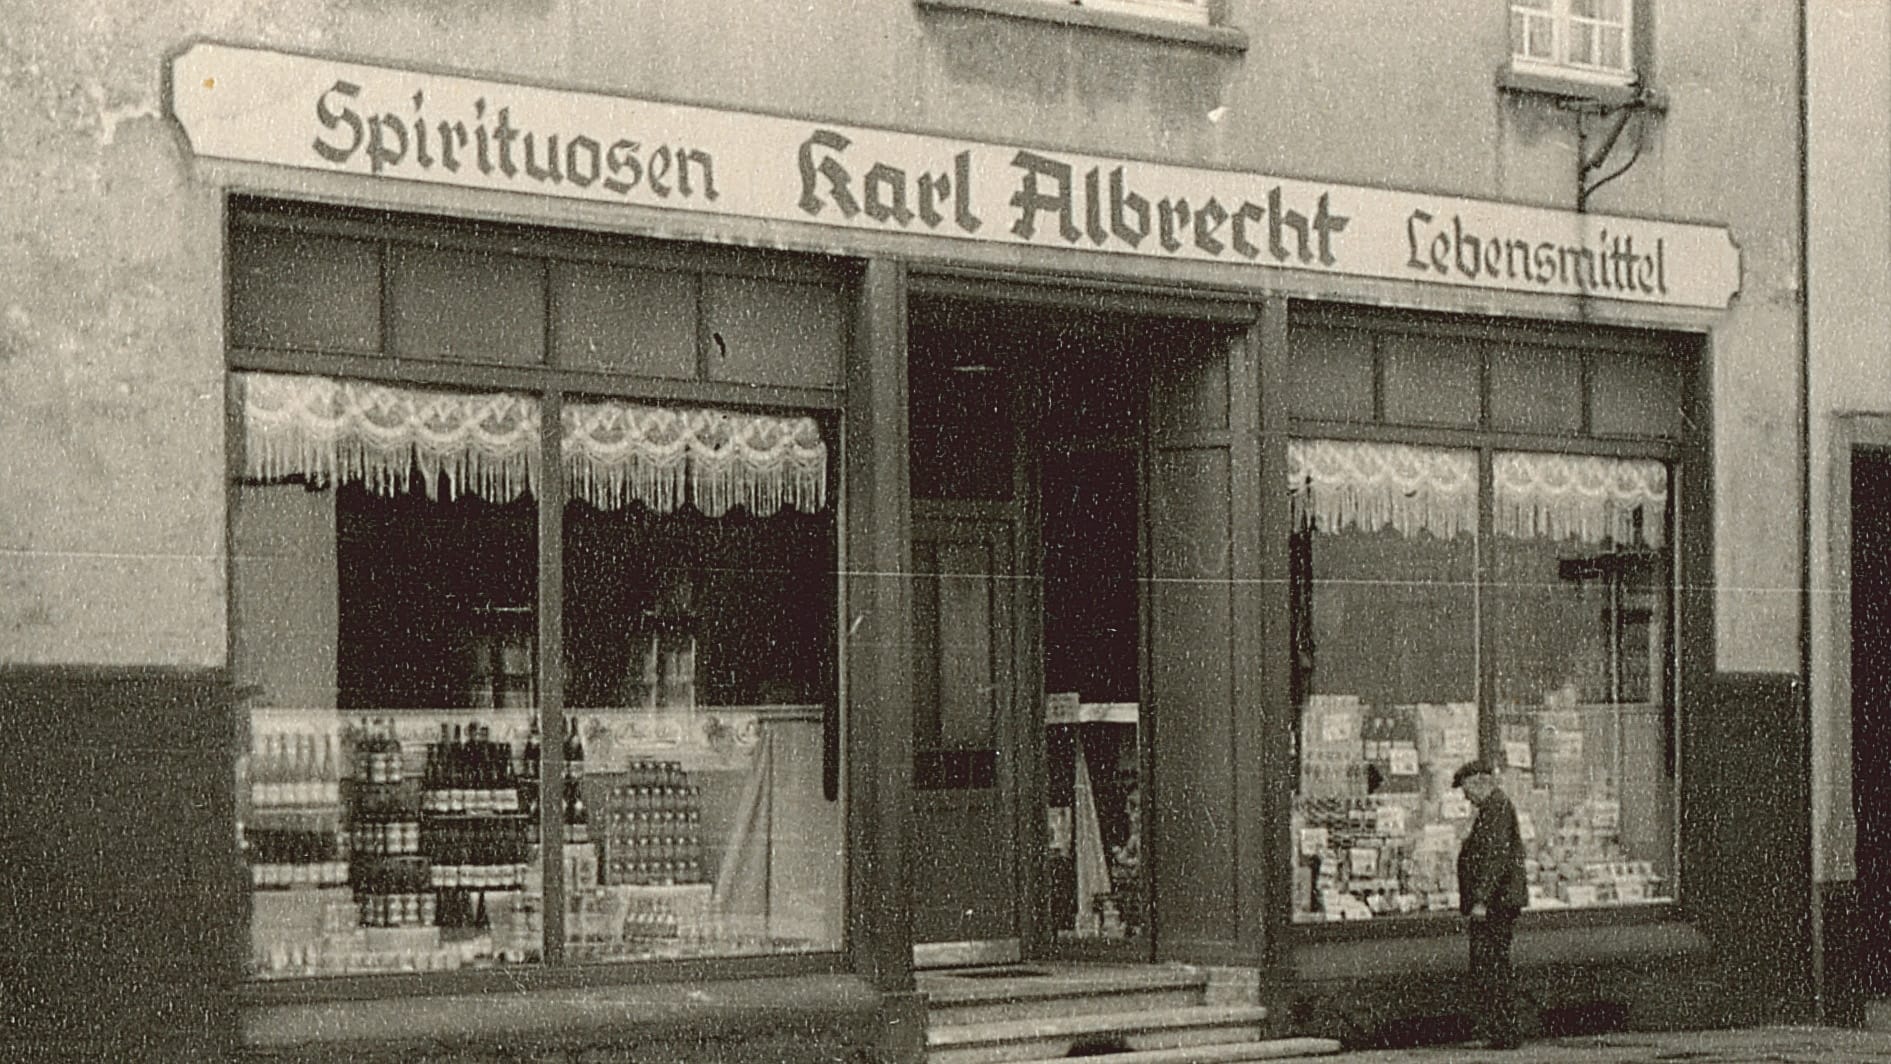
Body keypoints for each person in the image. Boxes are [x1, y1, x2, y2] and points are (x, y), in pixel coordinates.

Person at [1453, 759, 1530, 1050]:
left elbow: (1495, 856)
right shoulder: (1492, 808)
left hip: (1496, 904)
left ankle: (1503, 1031)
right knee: (1490, 964)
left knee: (1492, 965)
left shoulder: (1496, 807)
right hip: (1495, 902)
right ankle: (1498, 1030)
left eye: (1466, 790)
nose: (1465, 797)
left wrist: (1482, 899)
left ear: (1479, 783)